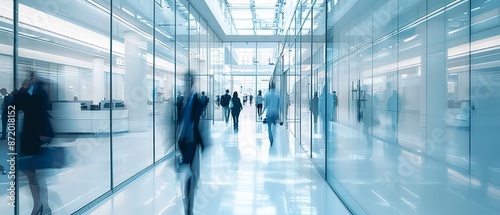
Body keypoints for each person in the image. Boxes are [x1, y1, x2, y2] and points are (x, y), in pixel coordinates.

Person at [15, 72, 54, 215]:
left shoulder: (38, 93)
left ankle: (39, 205)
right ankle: (42, 205)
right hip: (33, 136)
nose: (27, 80)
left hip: (34, 137)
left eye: (29, 78)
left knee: (31, 172)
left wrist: (23, 88)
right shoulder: (37, 92)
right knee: (32, 173)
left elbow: (25, 105)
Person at [177, 72, 203, 215]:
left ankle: (189, 207)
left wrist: (203, 142)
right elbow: (176, 121)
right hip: (182, 140)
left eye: (188, 80)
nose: (185, 83)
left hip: (192, 139)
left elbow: (199, 123)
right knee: (190, 172)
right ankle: (188, 206)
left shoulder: (197, 100)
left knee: (191, 173)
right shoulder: (181, 101)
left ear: (191, 82)